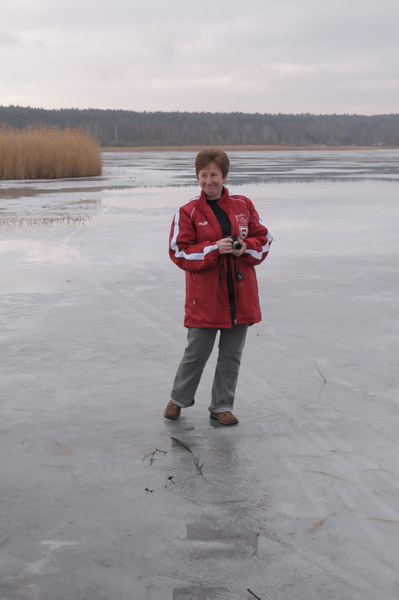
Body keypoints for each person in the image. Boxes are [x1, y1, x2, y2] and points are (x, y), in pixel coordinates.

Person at [164, 148, 272, 425]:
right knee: (197, 352)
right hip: (206, 298)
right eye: (203, 175)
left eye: (214, 175)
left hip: (240, 295)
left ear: (225, 176)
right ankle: (178, 399)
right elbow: (180, 252)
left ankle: (221, 406)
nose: (208, 181)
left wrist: (245, 248)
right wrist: (214, 248)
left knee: (231, 356)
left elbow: (264, 239)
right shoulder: (188, 211)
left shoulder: (243, 205)